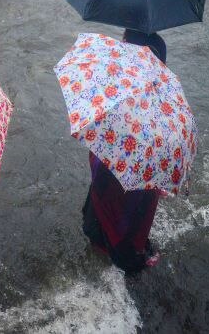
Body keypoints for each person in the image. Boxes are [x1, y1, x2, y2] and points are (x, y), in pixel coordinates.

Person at [80, 28, 166, 274]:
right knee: (127, 217)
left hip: (116, 180)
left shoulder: (117, 98)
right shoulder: (157, 108)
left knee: (105, 224)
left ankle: (111, 254)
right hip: (135, 175)